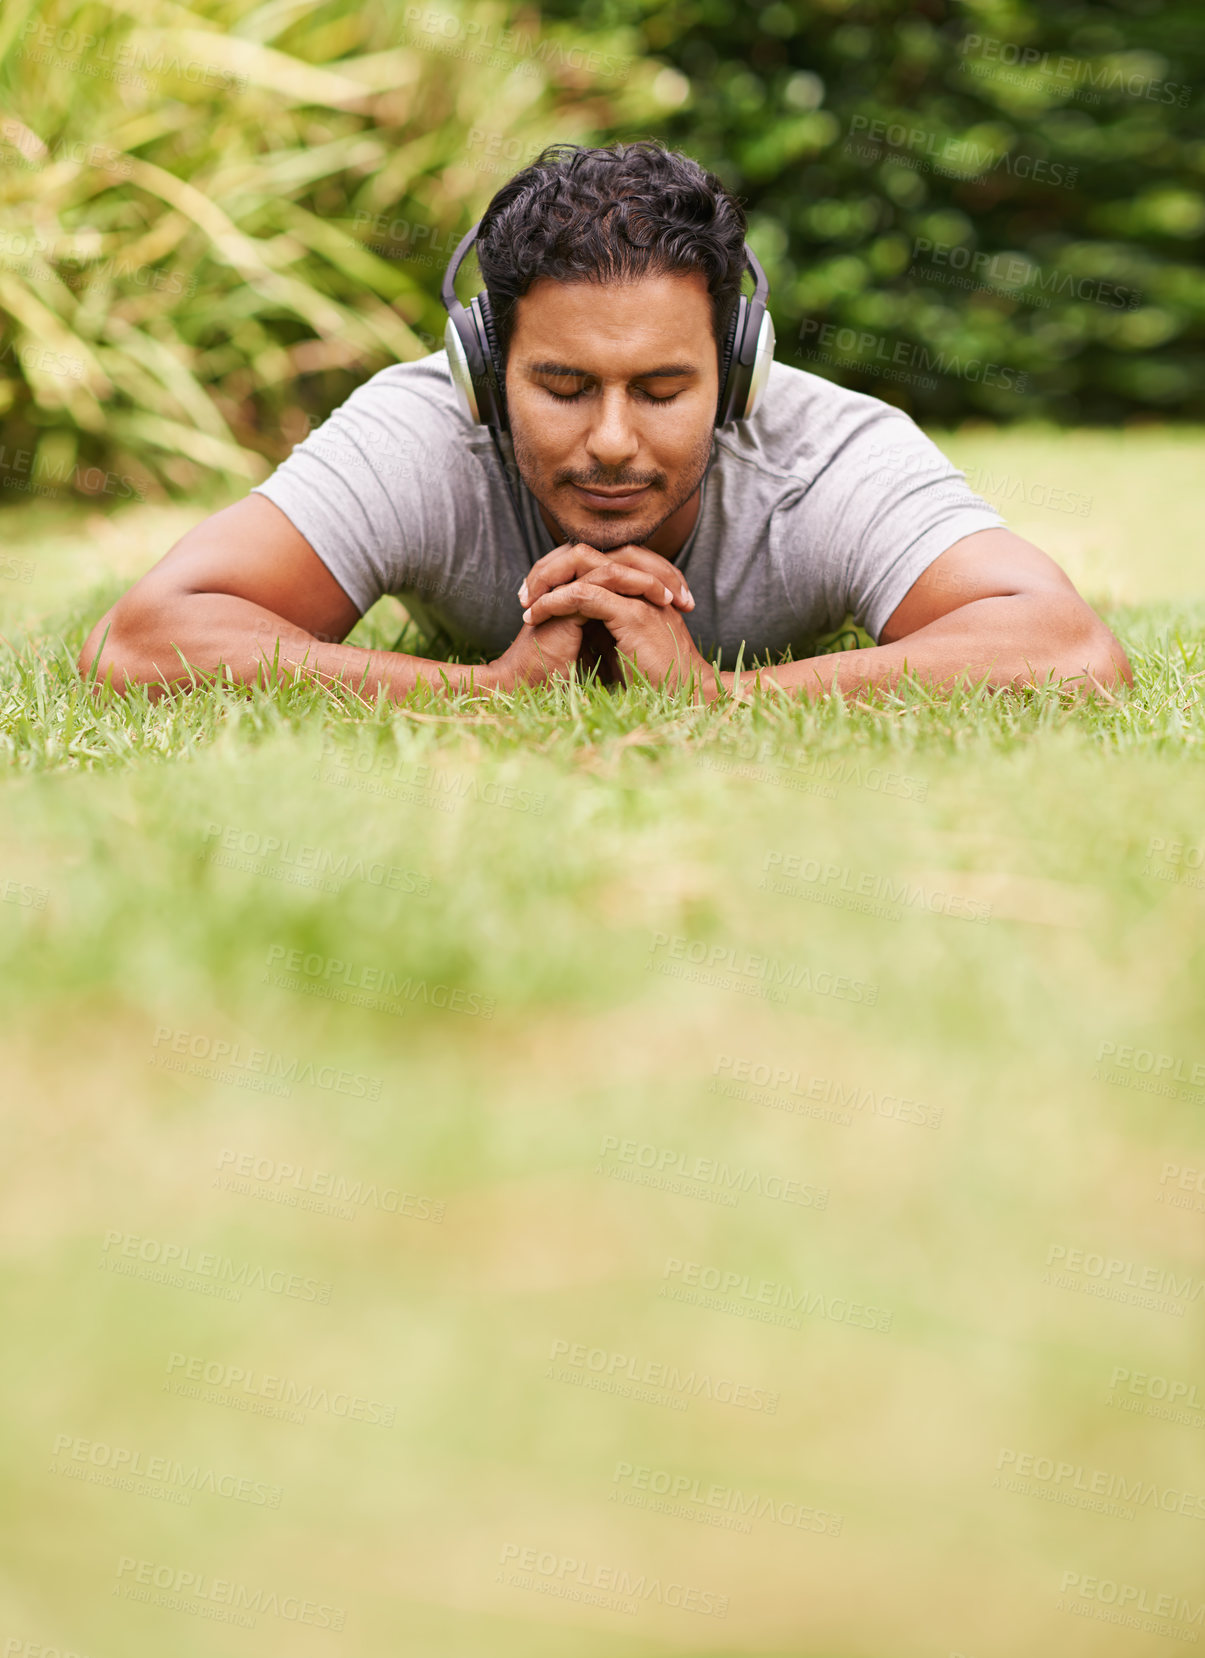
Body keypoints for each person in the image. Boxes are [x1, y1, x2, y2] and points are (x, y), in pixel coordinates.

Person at [78, 140, 1131, 702]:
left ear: (735, 370)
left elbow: (1069, 650)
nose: (615, 441)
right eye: (565, 386)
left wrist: (719, 703)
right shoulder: (424, 432)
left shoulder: (823, 453)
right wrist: (482, 692)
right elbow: (140, 638)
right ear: (485, 369)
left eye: (663, 389)